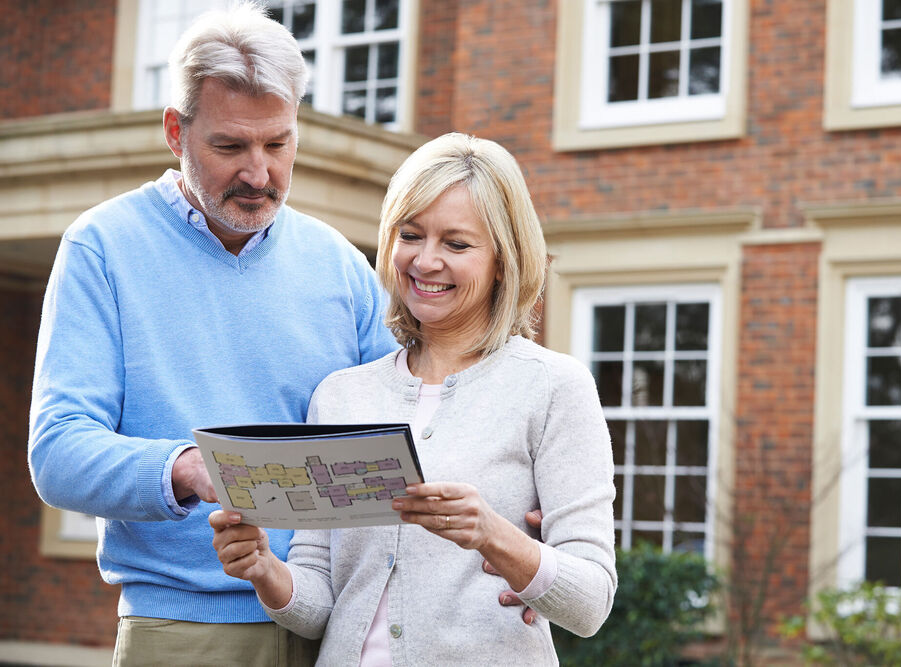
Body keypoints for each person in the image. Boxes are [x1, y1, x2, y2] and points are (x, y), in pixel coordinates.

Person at [26, 4, 399, 665]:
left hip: (335, 624)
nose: (258, 174)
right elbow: (57, 452)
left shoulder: (340, 263)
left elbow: (404, 427)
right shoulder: (103, 248)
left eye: (278, 144)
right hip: (181, 630)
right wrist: (189, 470)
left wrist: (503, 510)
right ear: (176, 131)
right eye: (230, 146)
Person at [211, 132, 618, 665]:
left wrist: (495, 535)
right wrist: (266, 569)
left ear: (504, 259)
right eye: (411, 235)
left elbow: (590, 604)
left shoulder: (553, 387)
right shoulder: (340, 396)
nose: (425, 262)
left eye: (457, 244)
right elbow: (319, 605)